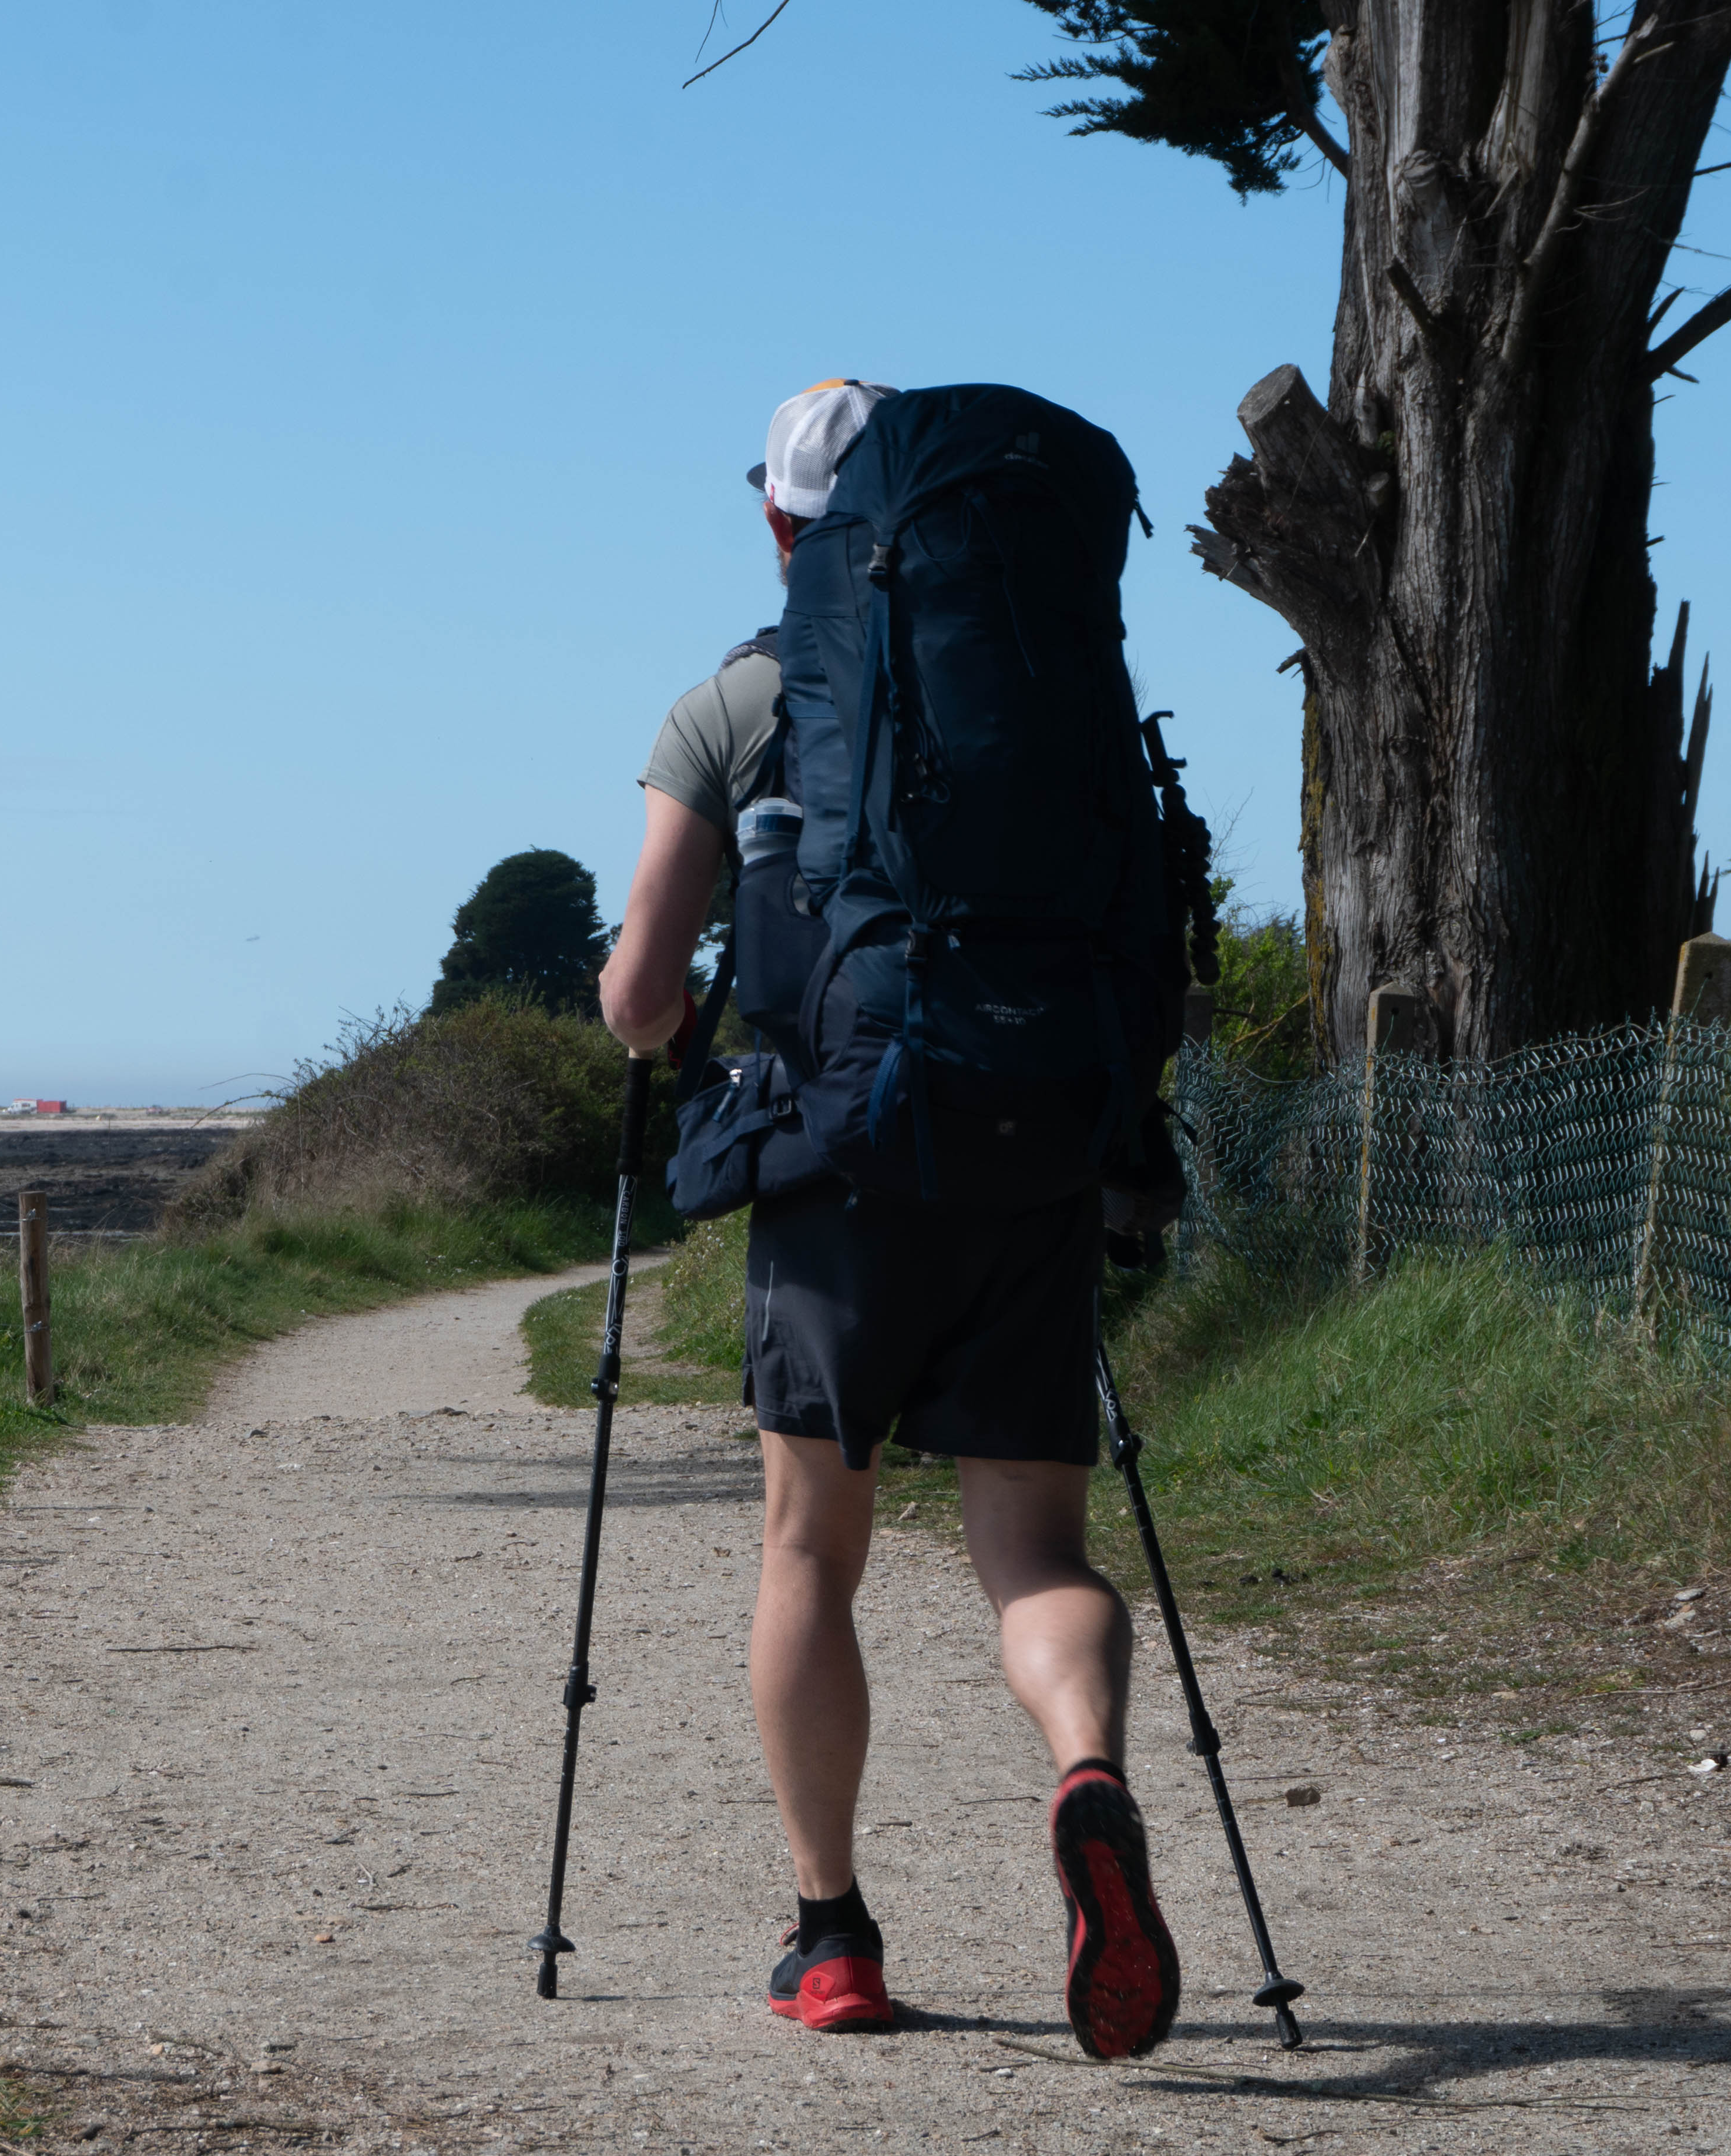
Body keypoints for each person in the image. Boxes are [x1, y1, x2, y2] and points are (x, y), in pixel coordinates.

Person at [593, 380, 1182, 2060]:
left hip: (842, 1168)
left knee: (810, 1552)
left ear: (792, 530)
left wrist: (682, 1037)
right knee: (1038, 1557)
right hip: (1035, 1146)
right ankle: (1086, 1773)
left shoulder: (736, 706)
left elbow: (642, 999)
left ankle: (832, 1937)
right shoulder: (1053, 683)